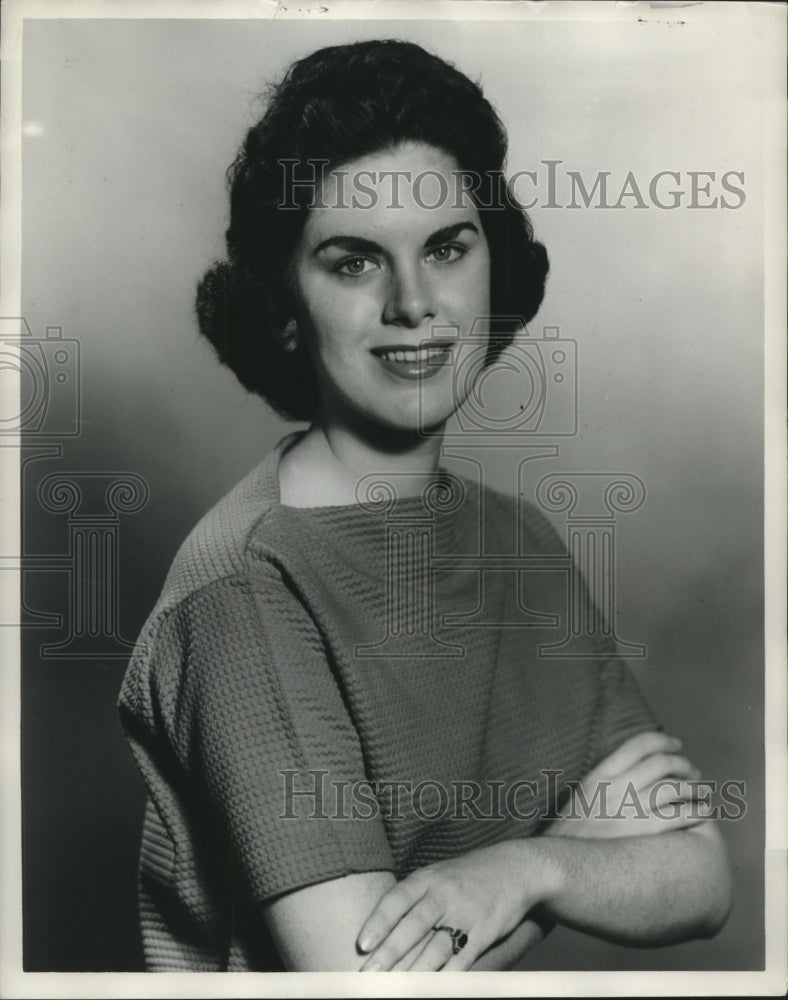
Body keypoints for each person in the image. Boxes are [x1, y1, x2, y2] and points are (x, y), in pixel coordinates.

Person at [117, 38, 732, 972]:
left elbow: (701, 878)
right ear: (286, 303)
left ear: (496, 265)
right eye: (354, 262)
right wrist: (573, 848)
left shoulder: (516, 541)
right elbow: (366, 987)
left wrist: (526, 868)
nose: (415, 302)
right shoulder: (242, 594)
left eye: (447, 247)